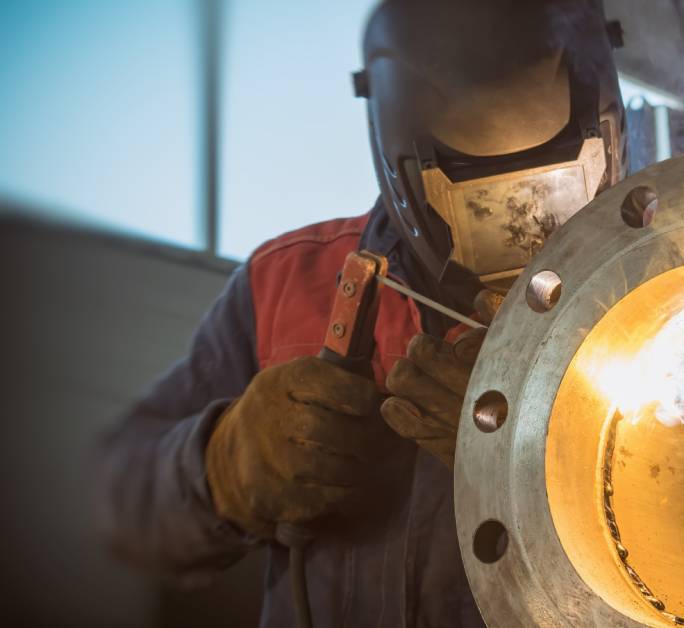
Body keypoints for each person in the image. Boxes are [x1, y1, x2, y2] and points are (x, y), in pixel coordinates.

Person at [93, 1, 626, 625]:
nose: (524, 234)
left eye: (546, 192)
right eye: (483, 208)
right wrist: (224, 467)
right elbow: (116, 500)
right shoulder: (290, 281)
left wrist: (550, 463)